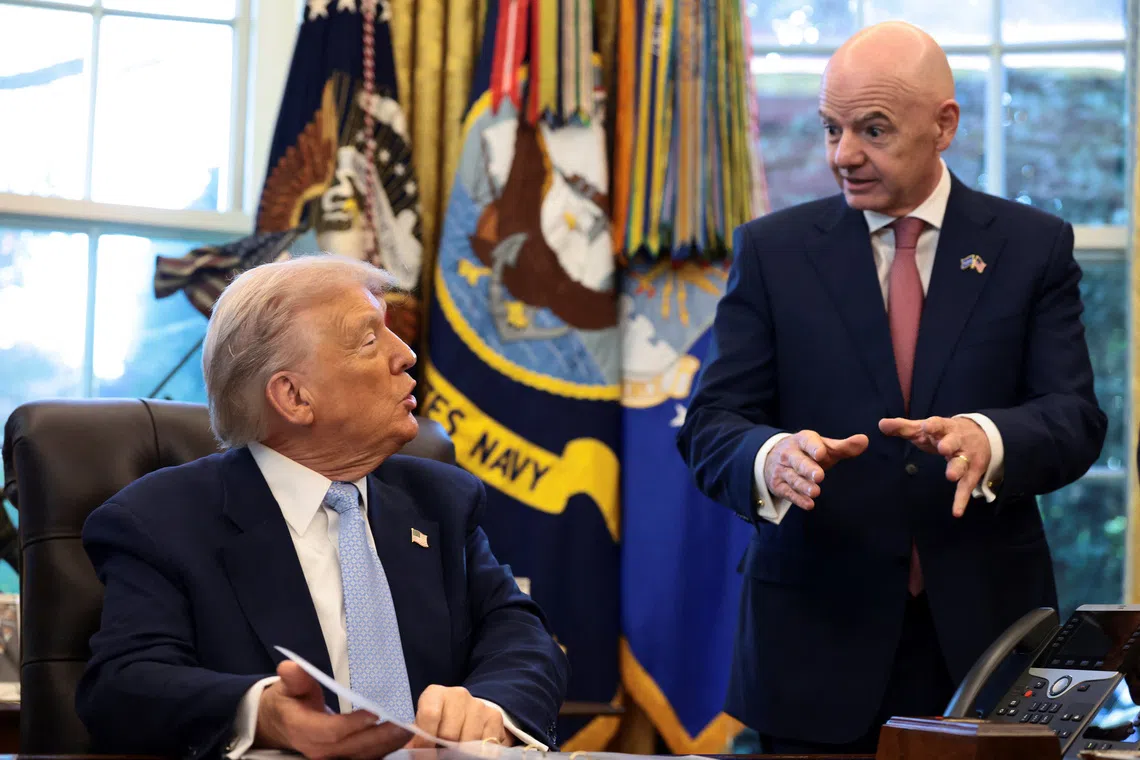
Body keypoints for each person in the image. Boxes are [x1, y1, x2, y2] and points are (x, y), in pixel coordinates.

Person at [676, 21, 1106, 755]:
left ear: (944, 126)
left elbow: (1073, 417)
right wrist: (771, 456)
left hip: (983, 645)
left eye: (872, 130)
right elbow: (712, 420)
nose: (843, 155)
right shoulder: (774, 252)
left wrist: (991, 438)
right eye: (830, 129)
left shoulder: (1032, 247)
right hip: (812, 650)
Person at [76, 255, 569, 760]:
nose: (407, 356)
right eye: (370, 339)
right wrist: (263, 714)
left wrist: (489, 705)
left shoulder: (442, 501)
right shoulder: (158, 520)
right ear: (293, 396)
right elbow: (123, 685)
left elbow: (522, 637)